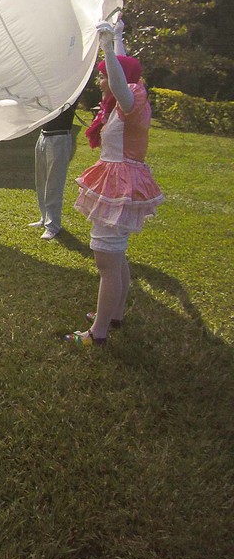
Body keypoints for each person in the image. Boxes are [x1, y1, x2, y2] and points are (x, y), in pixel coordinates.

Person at [65, 20, 164, 347]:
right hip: (120, 179)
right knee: (116, 256)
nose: (101, 78)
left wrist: (107, 45)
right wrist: (118, 39)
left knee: (106, 259)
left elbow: (122, 81)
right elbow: (125, 73)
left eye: (103, 75)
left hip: (119, 183)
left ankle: (99, 333)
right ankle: (114, 313)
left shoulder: (130, 102)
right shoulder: (127, 103)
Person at [29, 96, 79, 240]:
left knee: (54, 183)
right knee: (42, 180)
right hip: (44, 136)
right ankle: (44, 218)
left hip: (60, 136)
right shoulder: (50, 90)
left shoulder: (72, 88)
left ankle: (53, 225)